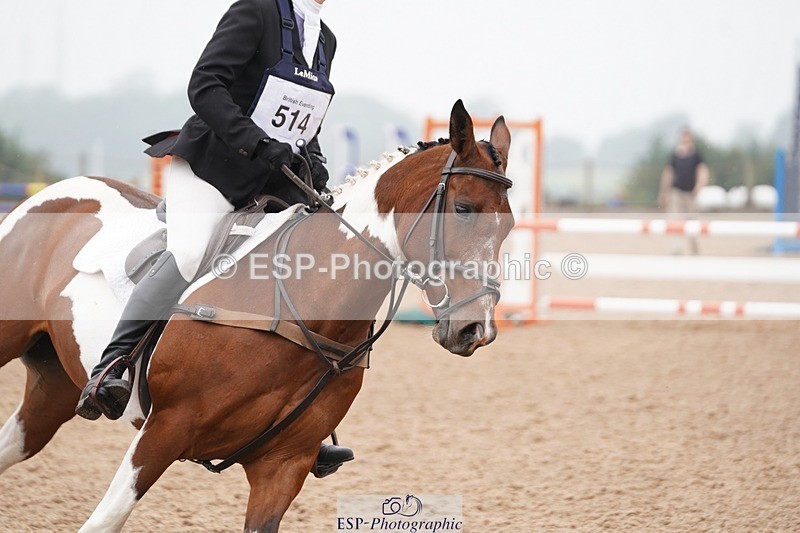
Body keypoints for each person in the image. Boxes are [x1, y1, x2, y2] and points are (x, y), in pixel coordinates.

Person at [76, 0, 353, 470]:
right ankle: (110, 366)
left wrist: (315, 166)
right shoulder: (255, 10)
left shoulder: (324, 39)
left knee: (306, 264)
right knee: (189, 252)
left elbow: (305, 118)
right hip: (213, 167)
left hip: (271, 177)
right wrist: (255, 142)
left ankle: (305, 422)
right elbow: (204, 86)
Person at [658, 127, 710, 254]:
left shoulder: (696, 155)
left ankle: (694, 249)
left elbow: (702, 171)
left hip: (690, 193)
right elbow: (669, 173)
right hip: (676, 192)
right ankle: (677, 249)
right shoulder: (675, 155)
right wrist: (664, 192)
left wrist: (699, 185)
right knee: (675, 221)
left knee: (692, 221)